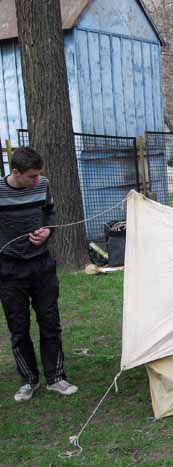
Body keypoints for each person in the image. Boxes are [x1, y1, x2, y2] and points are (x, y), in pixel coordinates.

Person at [0, 147, 78, 402]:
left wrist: (47, 231)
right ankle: (28, 381)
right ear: (15, 172)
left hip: (41, 265)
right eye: (31, 176)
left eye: (38, 175)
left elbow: (49, 213)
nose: (37, 180)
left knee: (50, 321)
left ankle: (56, 378)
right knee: (18, 327)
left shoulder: (42, 184)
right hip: (10, 270)